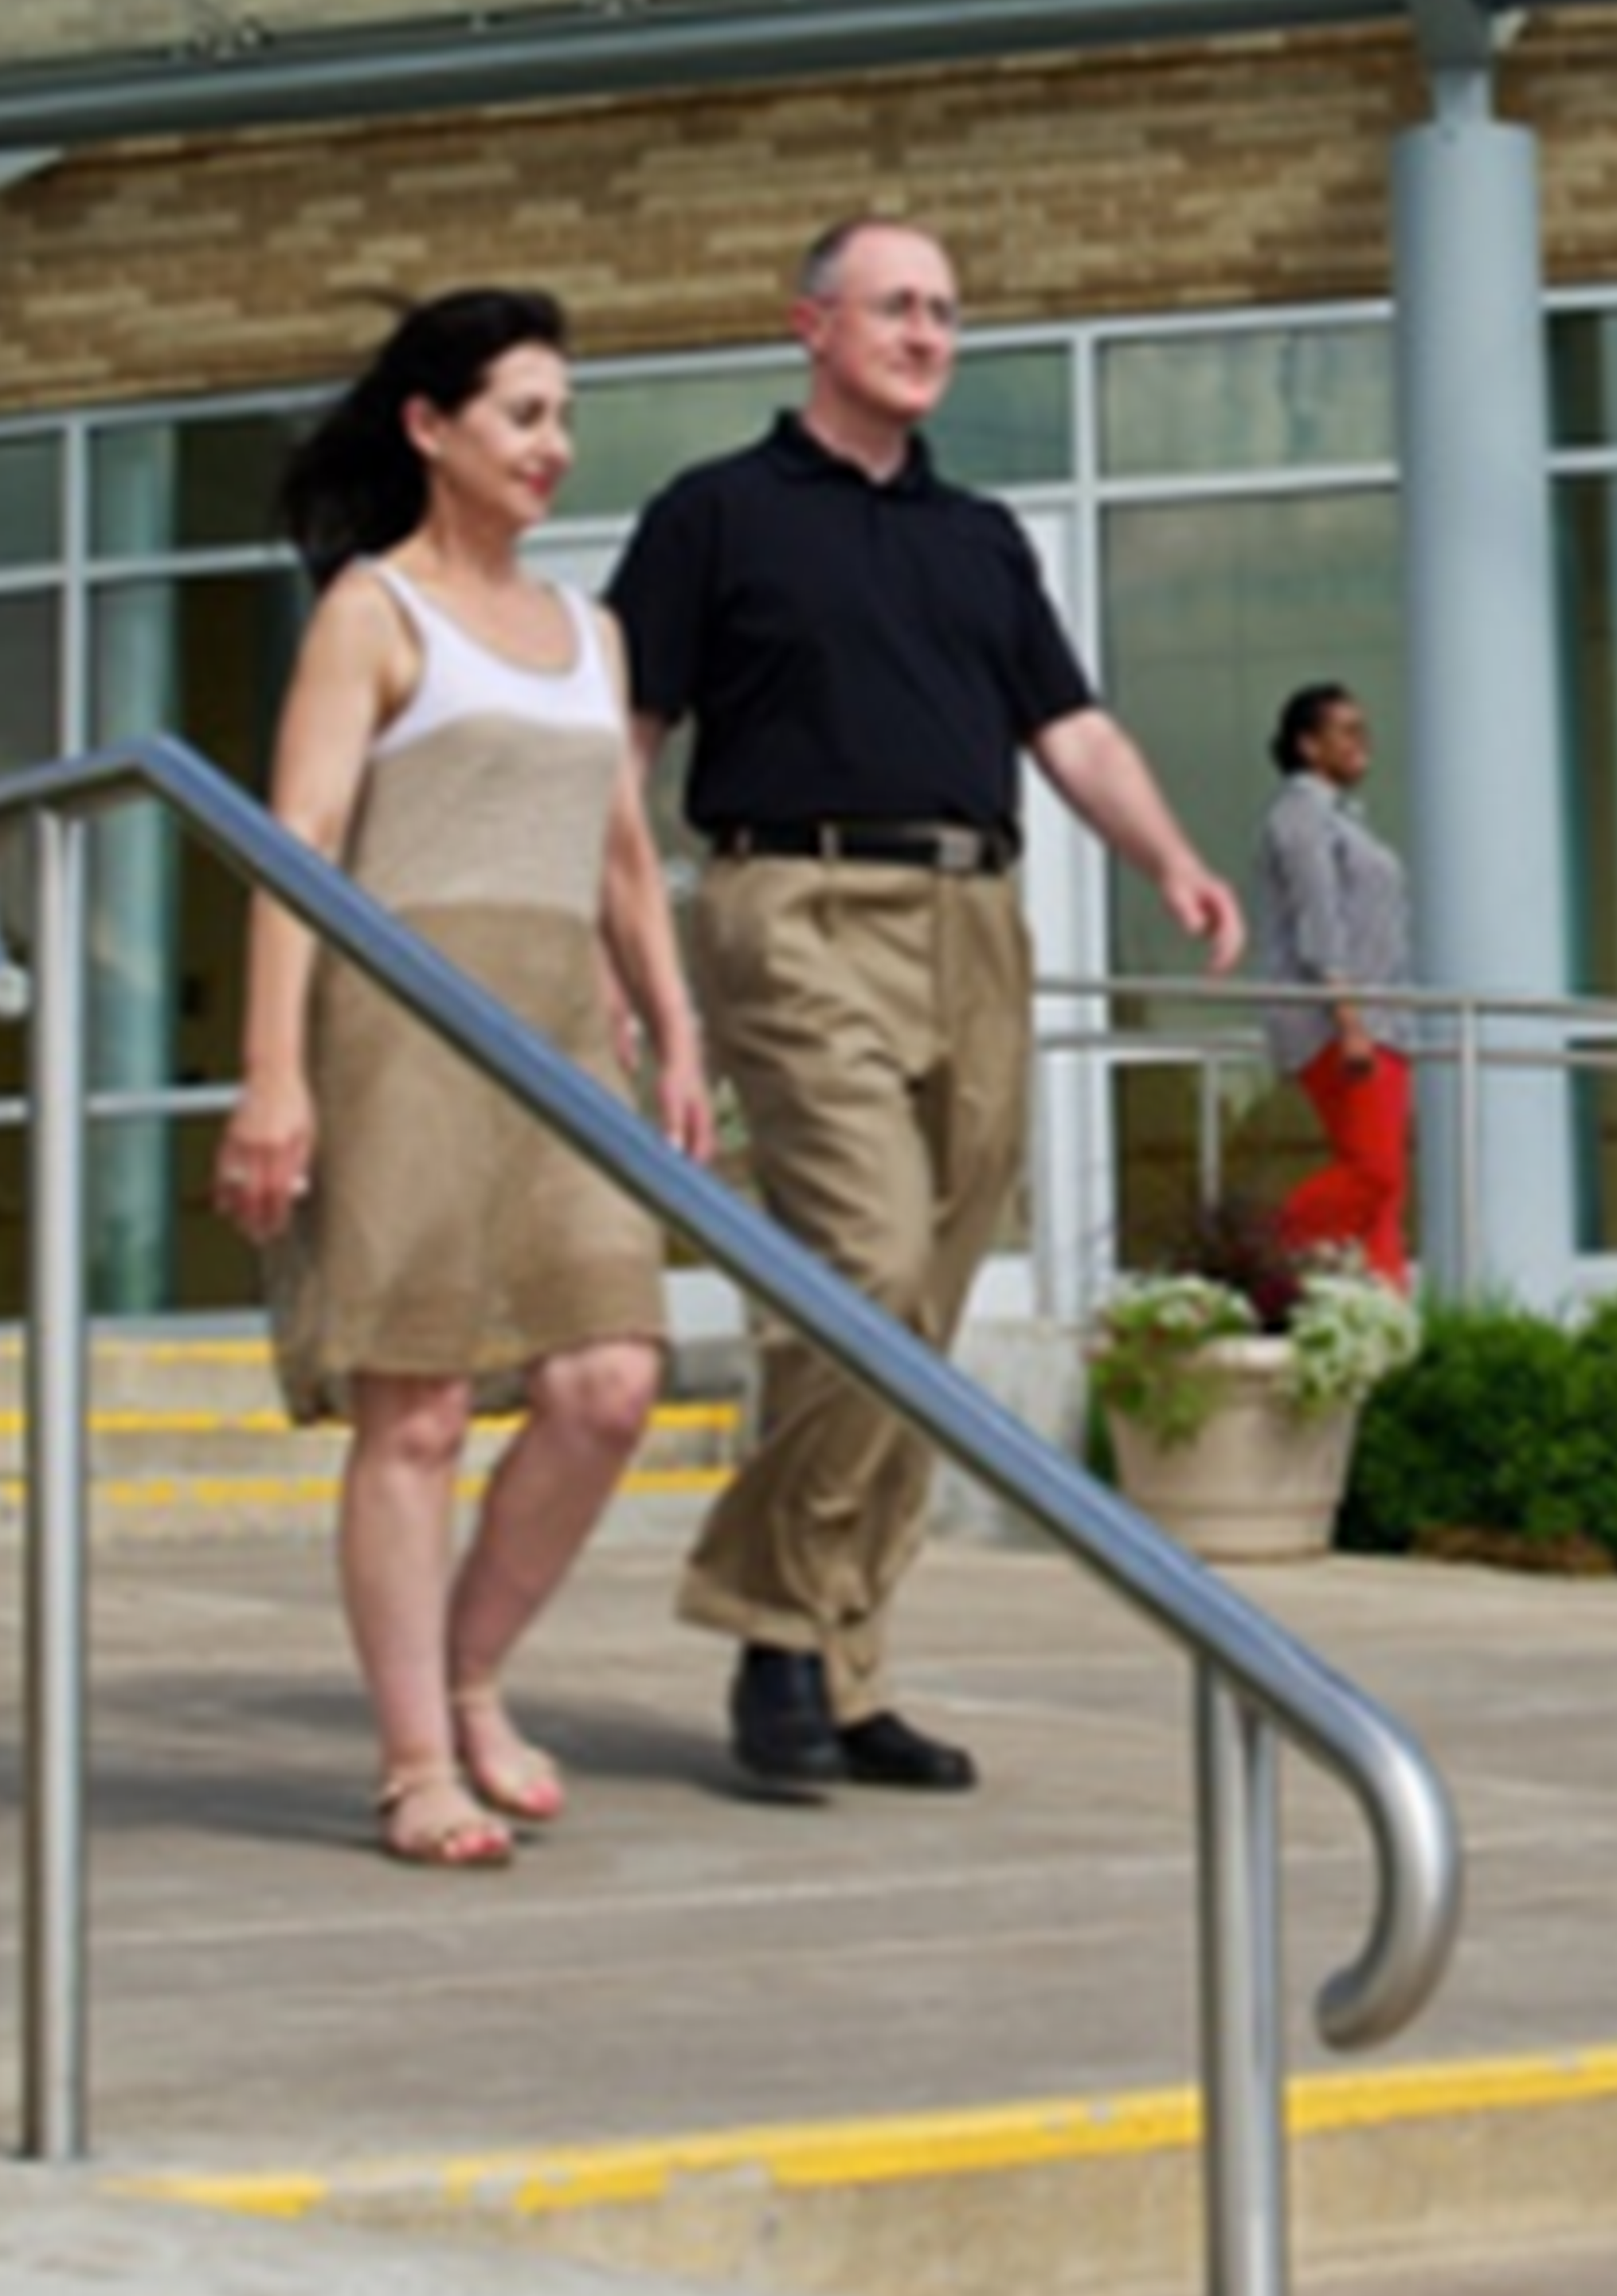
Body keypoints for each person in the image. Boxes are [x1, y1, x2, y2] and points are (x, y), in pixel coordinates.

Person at [614, 215, 1244, 1798]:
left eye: (947, 312)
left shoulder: (983, 539)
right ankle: (773, 1628)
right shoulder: (715, 515)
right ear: (810, 326)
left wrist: (1169, 857)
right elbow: (620, 746)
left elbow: (1074, 727)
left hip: (977, 916)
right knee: (868, 1270)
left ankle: (843, 1661)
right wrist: (616, 957)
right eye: (896, 305)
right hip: (793, 903)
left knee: (925, 1316)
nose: (927, 332)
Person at [217, 288, 714, 1871]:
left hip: (566, 1033)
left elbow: (630, 860)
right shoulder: (373, 612)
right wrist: (271, 1076)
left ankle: (478, 1667)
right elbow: (294, 850)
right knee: (419, 1405)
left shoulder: (595, 632)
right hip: (404, 1022)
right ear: (433, 429)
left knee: (610, 1381)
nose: (553, 447)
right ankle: (416, 1758)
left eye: (564, 417)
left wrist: (678, 1031)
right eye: (522, 415)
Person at [1252, 680, 1415, 1291]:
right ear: (1308, 745)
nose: (1361, 742)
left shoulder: (1344, 820)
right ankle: (1264, 1251)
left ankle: (1387, 1314)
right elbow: (1317, 920)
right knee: (1372, 1173)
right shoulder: (1299, 816)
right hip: (1338, 1022)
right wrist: (1349, 1019)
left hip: (1384, 1020)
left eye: (1363, 729)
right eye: (1345, 731)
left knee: (1385, 1190)